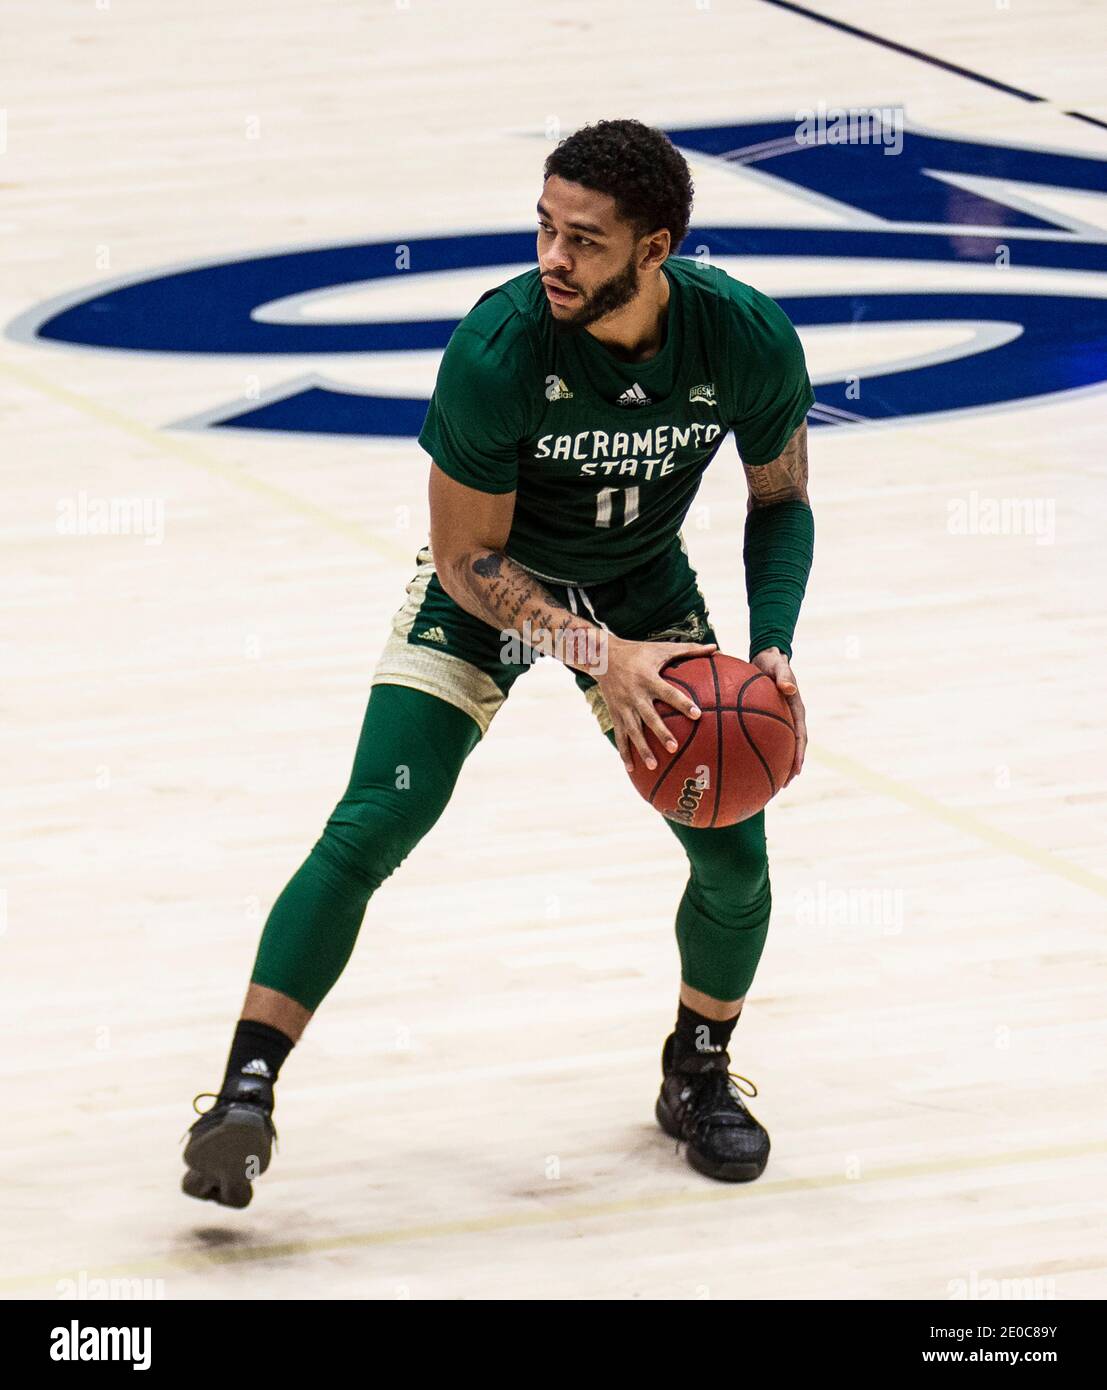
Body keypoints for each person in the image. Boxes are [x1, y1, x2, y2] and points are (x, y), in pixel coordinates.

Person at [182, 118, 815, 1207]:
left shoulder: (745, 338)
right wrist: (590, 653)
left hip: (642, 587)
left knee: (731, 848)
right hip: (494, 587)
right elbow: (470, 559)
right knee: (374, 819)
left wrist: (771, 640)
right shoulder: (500, 347)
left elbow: (781, 496)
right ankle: (243, 1093)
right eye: (544, 228)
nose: (553, 259)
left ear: (656, 250)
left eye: (584, 241)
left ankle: (696, 1071)